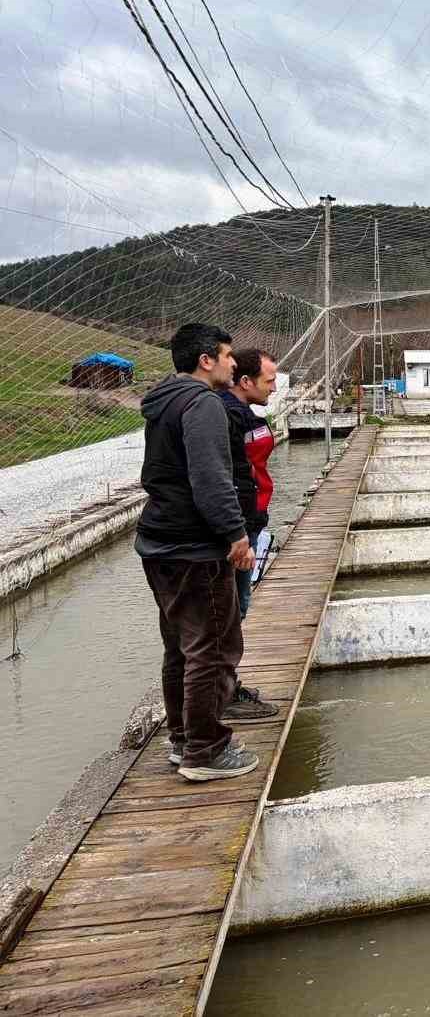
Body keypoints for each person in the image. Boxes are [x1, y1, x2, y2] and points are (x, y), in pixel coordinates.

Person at [136, 323, 259, 782]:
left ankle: (183, 739)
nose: (233, 363)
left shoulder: (164, 400)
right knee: (214, 648)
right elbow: (211, 481)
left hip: (159, 542)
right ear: (206, 360)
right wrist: (236, 535)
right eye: (227, 355)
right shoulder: (204, 404)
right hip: (194, 547)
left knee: (181, 648)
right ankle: (205, 751)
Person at [220, 348, 281, 722]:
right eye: (269, 380)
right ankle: (221, 696)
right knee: (228, 610)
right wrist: (237, 531)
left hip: (251, 521)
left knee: (238, 606)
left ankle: (226, 686)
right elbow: (226, 479)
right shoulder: (226, 417)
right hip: (239, 527)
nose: (274, 387)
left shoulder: (246, 414)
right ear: (246, 381)